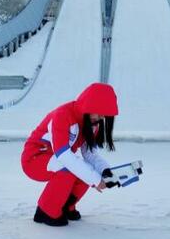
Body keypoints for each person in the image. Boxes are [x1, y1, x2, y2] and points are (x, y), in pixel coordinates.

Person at [21, 83, 119, 226]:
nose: (100, 118)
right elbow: (64, 155)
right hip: (35, 158)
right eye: (98, 113)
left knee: (84, 168)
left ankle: (66, 205)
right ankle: (46, 211)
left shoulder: (91, 124)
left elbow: (89, 154)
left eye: (103, 115)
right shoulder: (62, 115)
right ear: (88, 104)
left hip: (57, 159)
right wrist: (95, 180)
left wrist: (104, 170)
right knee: (69, 169)